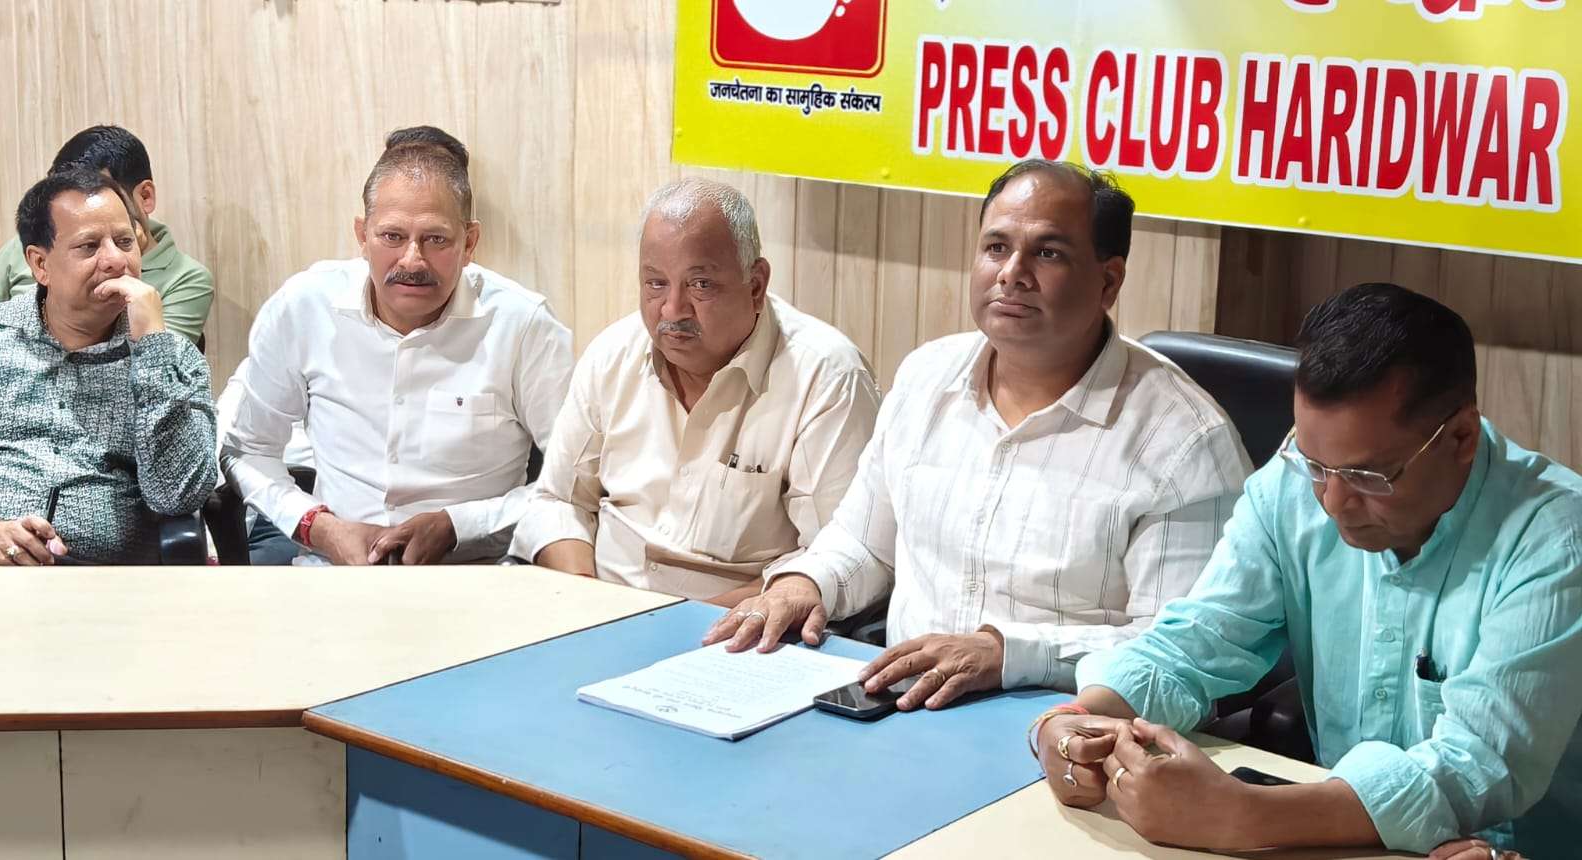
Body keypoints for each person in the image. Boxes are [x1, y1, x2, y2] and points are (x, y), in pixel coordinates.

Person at [1036, 283, 1581, 859]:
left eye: (1369, 477)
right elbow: (1198, 640)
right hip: (1323, 833)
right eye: (1316, 463)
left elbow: (1476, 766)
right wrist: (1076, 720)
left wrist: (1239, 816)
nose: (1333, 501)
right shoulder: (1290, 486)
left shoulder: (1556, 536)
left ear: (1461, 437)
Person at [709, 160, 1251, 710]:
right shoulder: (927, 378)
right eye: (996, 247)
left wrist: (1008, 655)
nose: (1012, 273)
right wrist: (804, 584)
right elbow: (864, 542)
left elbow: (1181, 650)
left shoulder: (1183, 441)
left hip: (1070, 723)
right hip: (899, 706)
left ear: (1107, 281)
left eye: (1047, 253)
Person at [509, 178, 879, 605]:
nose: (672, 310)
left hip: (735, 629)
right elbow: (558, 501)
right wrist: (590, 600)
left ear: (756, 285)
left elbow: (834, 557)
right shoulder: (613, 354)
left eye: (700, 284)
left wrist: (680, 625)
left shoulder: (826, 377)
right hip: (599, 605)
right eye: (655, 283)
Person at [220, 139, 573, 564]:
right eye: (392, 236)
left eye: (436, 239)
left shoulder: (523, 325)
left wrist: (459, 526)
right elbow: (248, 449)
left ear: (470, 242)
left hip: (476, 575)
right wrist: (320, 527)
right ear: (362, 236)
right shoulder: (304, 307)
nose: (412, 260)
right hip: (332, 573)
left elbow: (573, 480)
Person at [0, 169, 215, 565]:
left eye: (125, 242)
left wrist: (152, 348)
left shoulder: (174, 359)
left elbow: (179, 495)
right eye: (89, 246)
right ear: (40, 264)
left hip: (107, 583)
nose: (115, 261)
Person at [0, 125, 214, 343]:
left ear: (145, 196)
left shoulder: (186, 279)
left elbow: (164, 361)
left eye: (100, 192)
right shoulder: (35, 245)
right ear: (39, 262)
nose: (85, 210)